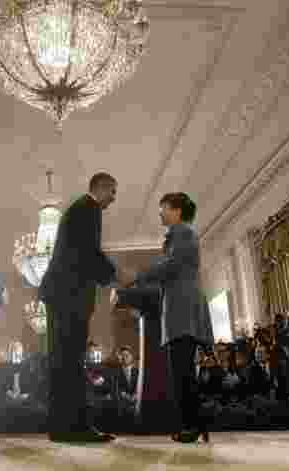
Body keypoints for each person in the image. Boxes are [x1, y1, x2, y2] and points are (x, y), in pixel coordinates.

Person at [38, 172, 121, 444]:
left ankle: (62, 428)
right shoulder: (89, 208)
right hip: (69, 296)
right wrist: (114, 276)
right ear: (102, 188)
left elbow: (80, 252)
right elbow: (89, 252)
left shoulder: (79, 209)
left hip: (61, 295)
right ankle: (76, 428)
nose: (113, 199)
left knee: (63, 362)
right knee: (71, 362)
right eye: (113, 192)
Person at [128, 192, 213, 444]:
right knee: (182, 371)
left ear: (176, 210)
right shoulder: (180, 234)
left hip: (182, 311)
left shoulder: (183, 233)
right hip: (180, 310)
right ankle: (193, 424)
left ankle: (192, 426)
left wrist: (138, 276)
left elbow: (171, 266)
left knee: (182, 372)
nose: (160, 213)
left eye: (162, 208)